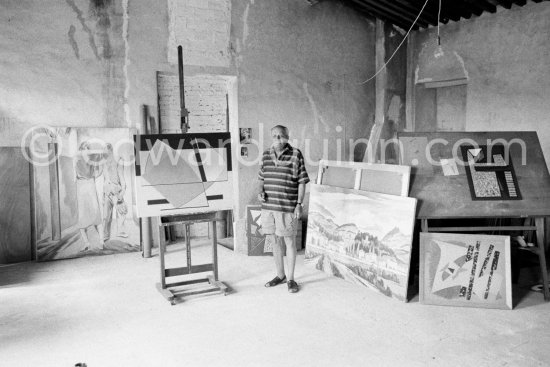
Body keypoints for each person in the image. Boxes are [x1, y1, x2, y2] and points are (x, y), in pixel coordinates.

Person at [257, 125, 309, 293]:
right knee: (275, 242)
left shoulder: (295, 154)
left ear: (287, 136)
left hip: (287, 208)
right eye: (274, 136)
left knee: (289, 242)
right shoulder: (265, 154)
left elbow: (302, 181)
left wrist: (299, 204)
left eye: (281, 136)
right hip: (268, 208)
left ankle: (292, 279)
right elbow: (261, 177)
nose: (277, 139)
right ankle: (280, 275)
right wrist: (260, 192)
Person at [74, 140, 104, 251]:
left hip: (89, 184)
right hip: (81, 185)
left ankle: (101, 242)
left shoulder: (92, 159)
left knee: (96, 214)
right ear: (81, 150)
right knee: (82, 217)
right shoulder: (77, 158)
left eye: (87, 149)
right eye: (84, 149)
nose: (86, 152)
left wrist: (96, 171)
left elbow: (99, 170)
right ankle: (86, 243)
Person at [102, 143, 129, 242]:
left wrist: (122, 192)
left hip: (117, 191)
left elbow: (122, 178)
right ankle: (105, 235)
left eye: (106, 152)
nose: (105, 154)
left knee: (122, 212)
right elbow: (106, 179)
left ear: (111, 151)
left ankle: (120, 232)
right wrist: (105, 192)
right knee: (106, 215)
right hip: (108, 191)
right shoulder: (104, 162)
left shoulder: (118, 161)